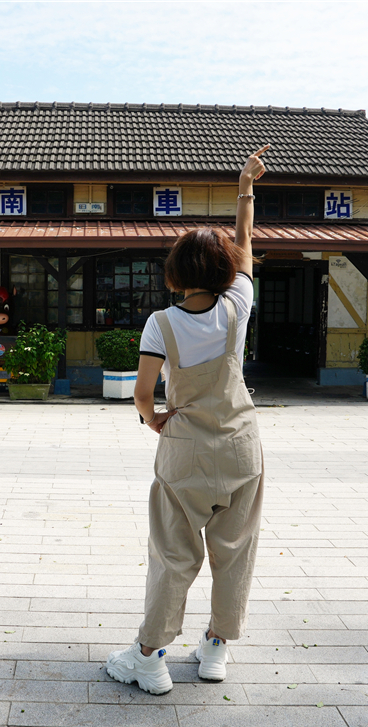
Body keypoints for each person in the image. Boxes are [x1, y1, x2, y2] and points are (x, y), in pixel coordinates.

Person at [104, 147, 269, 695]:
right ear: (221, 270)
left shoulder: (161, 323)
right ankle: (216, 647)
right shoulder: (237, 305)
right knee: (235, 551)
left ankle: (149, 657)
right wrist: (244, 190)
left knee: (173, 555)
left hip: (184, 451)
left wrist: (153, 421)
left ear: (176, 271)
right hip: (242, 446)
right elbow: (244, 249)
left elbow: (143, 394)